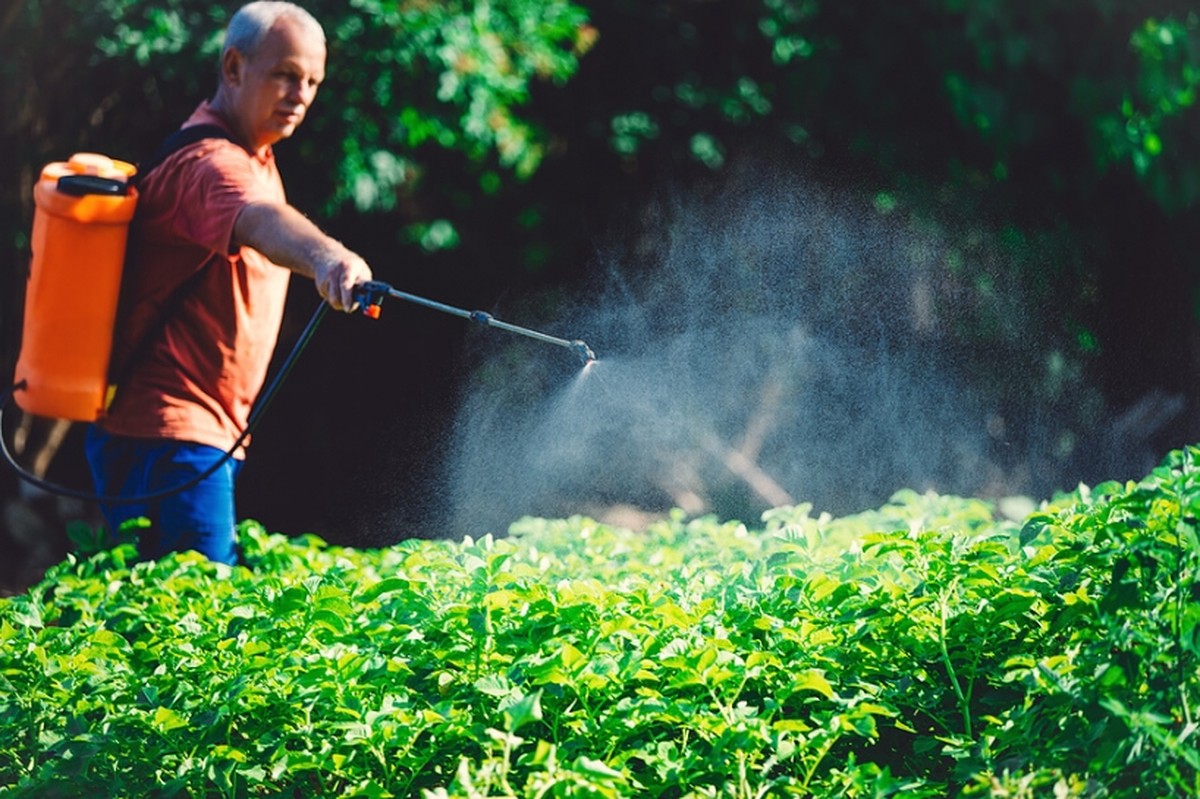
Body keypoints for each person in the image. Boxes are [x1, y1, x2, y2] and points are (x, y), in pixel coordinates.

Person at [85, 1, 373, 565]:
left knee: (169, 617)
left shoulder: (253, 154)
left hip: (192, 435)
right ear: (234, 68)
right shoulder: (210, 164)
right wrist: (329, 258)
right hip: (170, 435)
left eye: (312, 80)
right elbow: (259, 219)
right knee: (190, 625)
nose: (301, 93)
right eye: (285, 74)